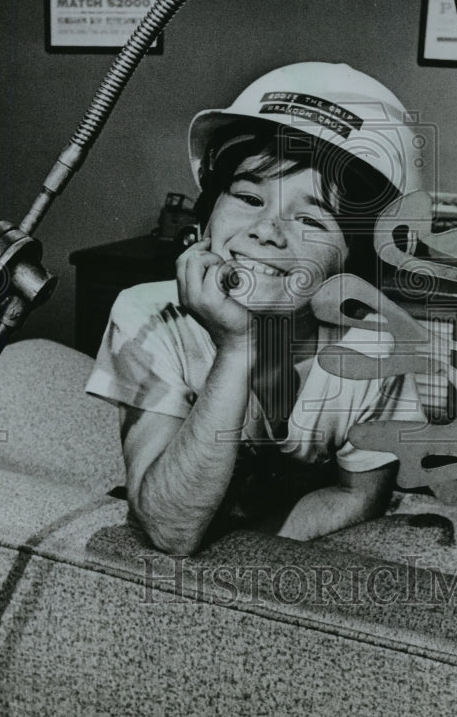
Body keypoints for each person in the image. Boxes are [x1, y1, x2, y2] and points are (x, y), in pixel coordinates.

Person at [86, 62, 425, 555]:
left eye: (311, 219)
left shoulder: (377, 349)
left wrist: (239, 559)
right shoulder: (149, 316)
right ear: (206, 219)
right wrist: (238, 348)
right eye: (248, 197)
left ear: (354, 264)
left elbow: (358, 495)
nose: (267, 230)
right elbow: (169, 528)